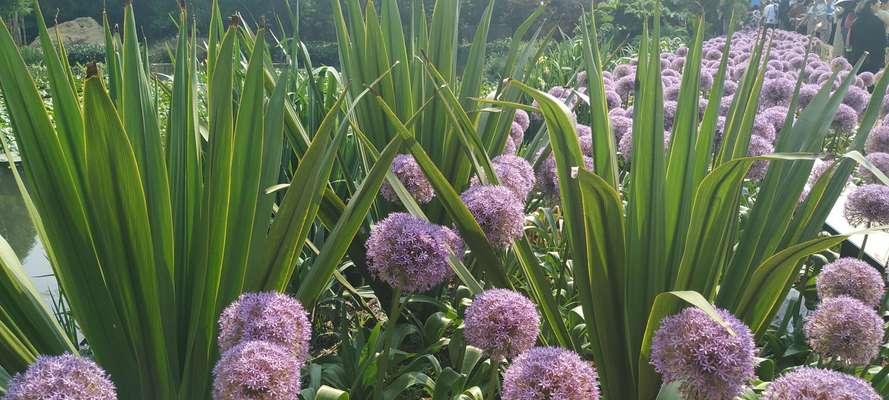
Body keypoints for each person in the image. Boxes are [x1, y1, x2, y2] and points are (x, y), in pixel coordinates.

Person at [850, 0, 888, 73]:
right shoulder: (878, 22)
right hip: (874, 58)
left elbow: (852, 40)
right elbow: (882, 42)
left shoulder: (856, 22)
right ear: (871, 5)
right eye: (877, 4)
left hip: (858, 57)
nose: (879, 6)